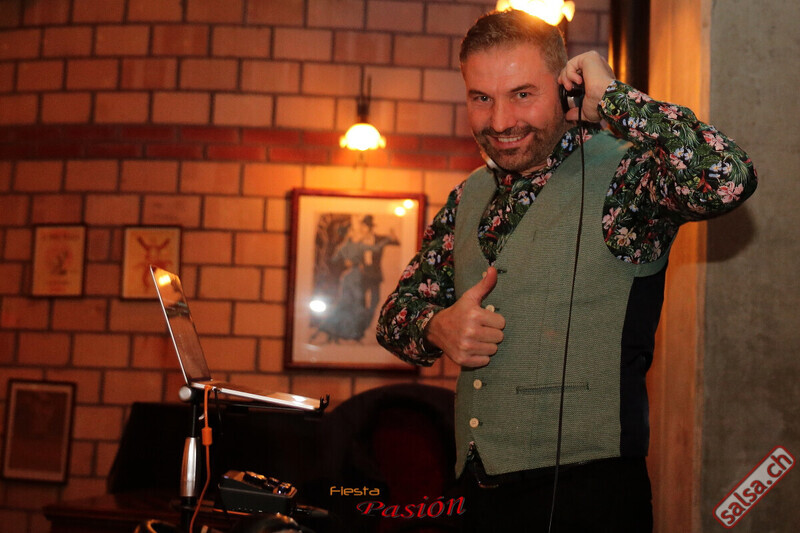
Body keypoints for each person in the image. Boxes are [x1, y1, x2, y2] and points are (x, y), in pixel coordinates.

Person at [376, 9, 756, 533]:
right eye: (481, 98)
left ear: (564, 88)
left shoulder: (626, 178)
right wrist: (436, 326)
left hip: (589, 498)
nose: (500, 121)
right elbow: (394, 316)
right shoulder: (467, 196)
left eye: (522, 94)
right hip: (477, 500)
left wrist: (615, 97)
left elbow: (727, 177)